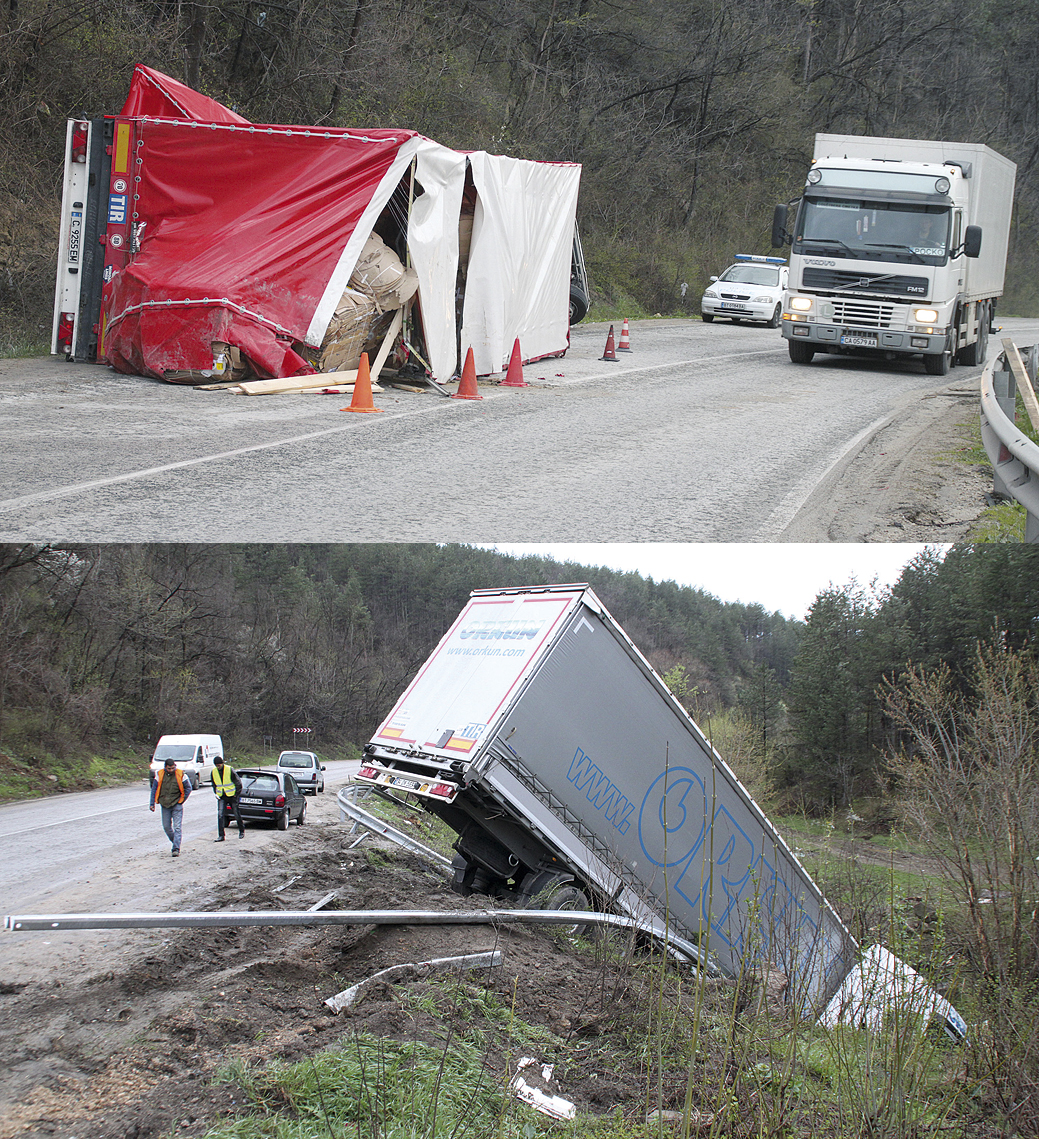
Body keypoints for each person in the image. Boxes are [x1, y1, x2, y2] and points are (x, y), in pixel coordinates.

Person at [150, 756, 191, 857]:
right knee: (167, 827)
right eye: (169, 768)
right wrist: (152, 803)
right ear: (165, 767)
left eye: (173, 768)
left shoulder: (181, 774)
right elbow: (154, 789)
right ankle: (176, 842)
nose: (171, 770)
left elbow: (188, 788)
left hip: (177, 805)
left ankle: (175, 848)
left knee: (177, 827)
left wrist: (181, 801)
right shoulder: (159, 775)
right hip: (165, 805)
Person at [212, 756, 245, 841]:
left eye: (219, 765)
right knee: (220, 815)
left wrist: (236, 795)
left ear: (222, 763)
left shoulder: (229, 770)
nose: (218, 767)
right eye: (216, 765)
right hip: (221, 796)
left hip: (232, 795)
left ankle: (241, 831)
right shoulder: (214, 772)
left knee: (236, 814)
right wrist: (216, 793)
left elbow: (238, 783)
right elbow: (214, 784)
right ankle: (221, 835)